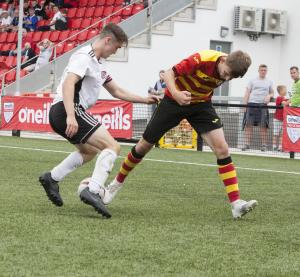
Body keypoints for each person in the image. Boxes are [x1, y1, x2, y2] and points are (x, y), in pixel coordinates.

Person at [102, 49, 258, 219]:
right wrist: (176, 94)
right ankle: (115, 184)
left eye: (231, 77)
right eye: (227, 73)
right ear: (223, 60)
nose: (226, 78)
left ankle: (236, 204)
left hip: (201, 105)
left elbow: (224, 74)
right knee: (142, 147)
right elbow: (169, 73)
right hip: (173, 102)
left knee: (223, 150)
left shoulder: (230, 69)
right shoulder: (202, 59)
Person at [38, 23, 159, 218]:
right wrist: (71, 115)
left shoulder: (98, 65)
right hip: (67, 109)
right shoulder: (84, 57)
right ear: (107, 40)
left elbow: (117, 91)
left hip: (65, 111)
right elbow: (70, 82)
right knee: (112, 146)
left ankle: (51, 178)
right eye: (116, 47)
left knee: (89, 151)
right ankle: (93, 190)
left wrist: (145, 99)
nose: (115, 52)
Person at [242, 64, 274, 152]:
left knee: (263, 126)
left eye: (265, 70)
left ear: (266, 71)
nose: (263, 72)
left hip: (263, 106)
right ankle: (246, 144)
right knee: (248, 125)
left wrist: (269, 95)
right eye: (262, 70)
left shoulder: (269, 81)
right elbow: (247, 93)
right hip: (251, 104)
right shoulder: (252, 80)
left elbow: (272, 92)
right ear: (259, 71)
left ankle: (264, 145)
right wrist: (244, 105)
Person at [273, 85, 288, 151]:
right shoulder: (279, 98)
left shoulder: (285, 98)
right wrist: (291, 100)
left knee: (282, 134)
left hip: (283, 119)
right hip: (277, 119)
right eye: (285, 89)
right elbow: (284, 103)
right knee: (276, 133)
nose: (286, 91)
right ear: (281, 91)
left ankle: (280, 147)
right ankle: (274, 147)